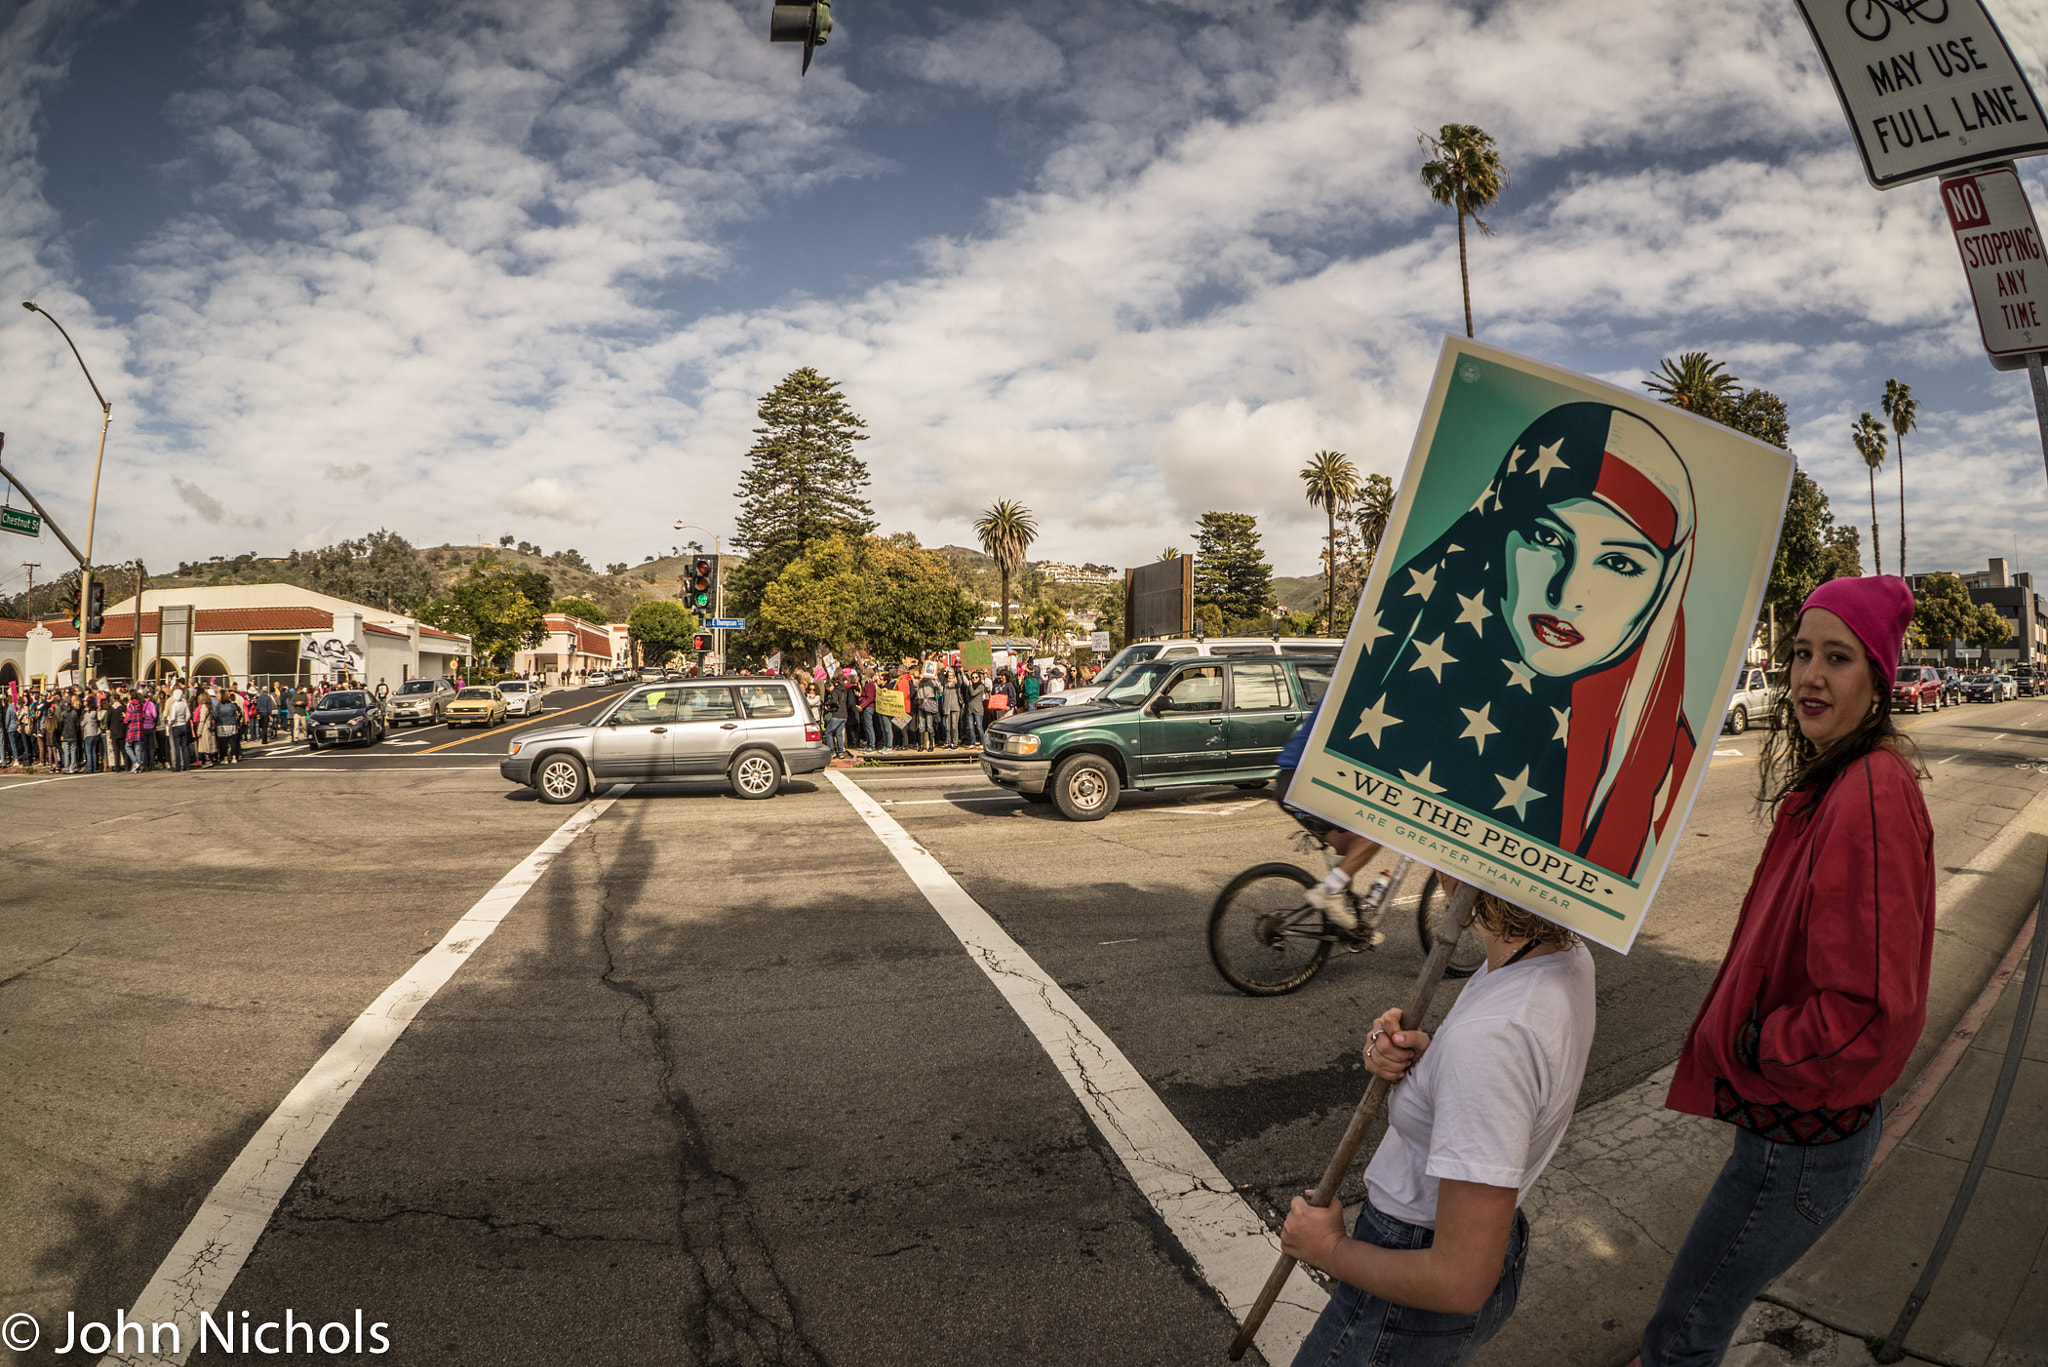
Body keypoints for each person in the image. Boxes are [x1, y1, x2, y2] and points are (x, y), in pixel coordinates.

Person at [1633, 577, 1934, 1367]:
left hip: (1798, 1142)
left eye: (1837, 657)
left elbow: (1872, 1009)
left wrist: (1766, 1044)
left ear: (1878, 678)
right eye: (1801, 653)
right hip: (1788, 1130)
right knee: (1692, 1324)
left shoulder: (1869, 788)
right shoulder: (1844, 777)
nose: (1808, 675)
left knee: (1680, 1336)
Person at [1322, 402, 1698, 880]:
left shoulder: (1659, 755)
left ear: (1665, 587)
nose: (1567, 595)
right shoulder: (1419, 666)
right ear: (1497, 530)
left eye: (1620, 563)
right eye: (1547, 537)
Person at [1282, 885, 1596, 1367]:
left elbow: (1459, 1278)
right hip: (1458, 1246)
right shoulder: (1561, 958)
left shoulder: (1495, 1038)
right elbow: (1506, 1088)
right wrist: (1431, 1062)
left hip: (1409, 1281)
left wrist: (1329, 1249)